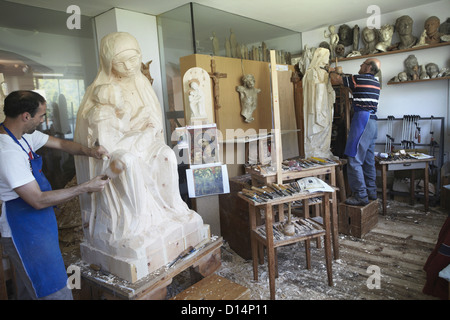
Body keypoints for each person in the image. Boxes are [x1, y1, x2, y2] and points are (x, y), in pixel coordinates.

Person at [74, 32, 205, 275]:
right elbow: (98, 138)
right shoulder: (99, 92)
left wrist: (148, 127)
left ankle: (172, 207)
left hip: (142, 142)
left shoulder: (141, 83)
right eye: (121, 62)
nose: (129, 67)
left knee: (166, 154)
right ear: (108, 62)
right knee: (129, 162)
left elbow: (152, 120)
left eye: (133, 59)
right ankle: (136, 223)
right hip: (119, 151)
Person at [0, 90, 110, 300]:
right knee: (53, 292)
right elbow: (38, 200)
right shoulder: (7, 152)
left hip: (39, 227)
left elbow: (61, 143)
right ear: (26, 116)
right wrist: (84, 187)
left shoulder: (23, 137)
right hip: (24, 231)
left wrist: (90, 151)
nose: (43, 120)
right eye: (41, 115)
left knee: (32, 290)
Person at [329, 58, 381, 206]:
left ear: (368, 67)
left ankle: (360, 196)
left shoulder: (358, 79)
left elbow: (336, 80)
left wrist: (331, 70)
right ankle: (371, 193)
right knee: (369, 161)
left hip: (362, 121)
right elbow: (354, 89)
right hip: (373, 121)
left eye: (363, 64)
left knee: (354, 160)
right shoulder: (375, 82)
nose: (360, 65)